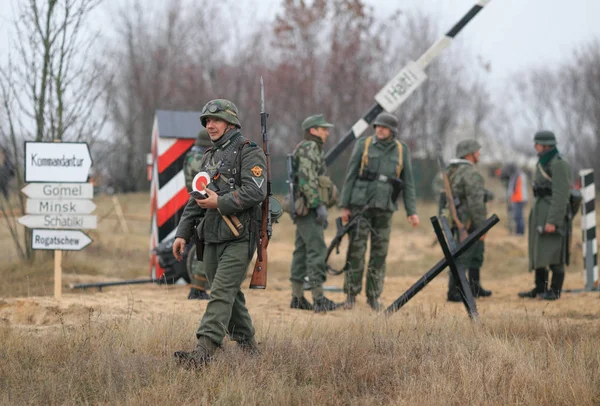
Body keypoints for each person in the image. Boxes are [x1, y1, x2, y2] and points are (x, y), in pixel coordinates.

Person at [172, 99, 267, 367]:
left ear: (231, 123)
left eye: (215, 120)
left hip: (239, 237)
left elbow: (256, 191)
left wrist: (220, 202)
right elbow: (196, 197)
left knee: (221, 294)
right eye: (206, 122)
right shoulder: (209, 156)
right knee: (228, 294)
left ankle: (202, 352)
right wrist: (182, 233)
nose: (210, 125)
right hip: (211, 236)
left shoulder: (249, 152)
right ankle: (249, 348)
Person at [339, 112, 419, 311]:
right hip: (361, 206)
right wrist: (345, 205)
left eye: (384, 127)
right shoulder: (363, 145)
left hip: (385, 208)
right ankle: (351, 294)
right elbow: (350, 176)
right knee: (356, 250)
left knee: (380, 253)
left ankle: (373, 296)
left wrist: (412, 211)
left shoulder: (402, 151)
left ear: (392, 131)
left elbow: (408, 183)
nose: (380, 130)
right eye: (377, 126)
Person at [289, 114, 341, 313]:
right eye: (323, 128)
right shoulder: (310, 148)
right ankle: (318, 298)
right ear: (313, 131)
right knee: (316, 250)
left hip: (305, 206)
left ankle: (297, 297)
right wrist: (318, 205)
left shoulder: (308, 147)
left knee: (301, 251)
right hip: (309, 207)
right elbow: (308, 179)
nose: (327, 132)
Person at [519, 131, 571, 301]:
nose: (535, 146)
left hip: (551, 211)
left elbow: (561, 195)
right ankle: (540, 287)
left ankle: (555, 290)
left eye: (537, 143)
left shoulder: (558, 164)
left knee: (555, 251)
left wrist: (553, 221)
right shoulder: (543, 161)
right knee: (539, 249)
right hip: (540, 210)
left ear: (546, 145)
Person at [445, 140, 492, 302]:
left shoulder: (452, 170)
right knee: (463, 256)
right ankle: (454, 291)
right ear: (469, 153)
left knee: (475, 253)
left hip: (456, 218)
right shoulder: (470, 173)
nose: (479, 154)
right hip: (468, 221)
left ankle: (474, 286)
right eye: (477, 151)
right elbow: (475, 202)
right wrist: (482, 227)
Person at [183, 128, 212, 300]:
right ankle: (197, 288)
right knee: (206, 244)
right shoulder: (201, 158)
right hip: (203, 202)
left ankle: (198, 287)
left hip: (194, 199)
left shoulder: (190, 155)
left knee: (201, 244)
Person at [502, 163, 529, 235]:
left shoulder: (519, 176)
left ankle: (520, 232)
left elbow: (514, 188)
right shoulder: (516, 175)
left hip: (519, 199)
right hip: (517, 198)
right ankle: (518, 232)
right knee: (517, 216)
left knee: (518, 216)